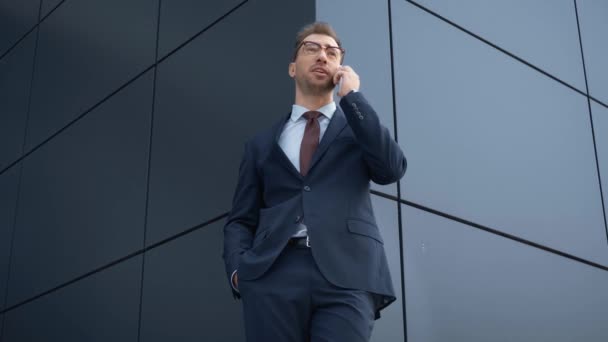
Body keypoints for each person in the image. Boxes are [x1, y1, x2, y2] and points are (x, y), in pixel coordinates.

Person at [222, 21, 406, 342]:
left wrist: (354, 98)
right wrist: (239, 272)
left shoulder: (358, 130)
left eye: (332, 52)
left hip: (347, 275)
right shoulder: (261, 145)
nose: (323, 56)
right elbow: (241, 219)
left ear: (340, 68)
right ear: (293, 68)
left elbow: (390, 169)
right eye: (312, 48)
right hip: (272, 273)